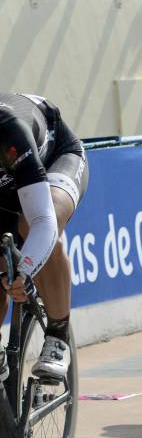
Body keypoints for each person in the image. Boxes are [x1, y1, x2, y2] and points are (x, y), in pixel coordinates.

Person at [0, 94, 89, 380]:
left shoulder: (10, 131)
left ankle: (58, 335)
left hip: (54, 160)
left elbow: (43, 221)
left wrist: (26, 270)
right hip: (7, 187)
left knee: (32, 223)